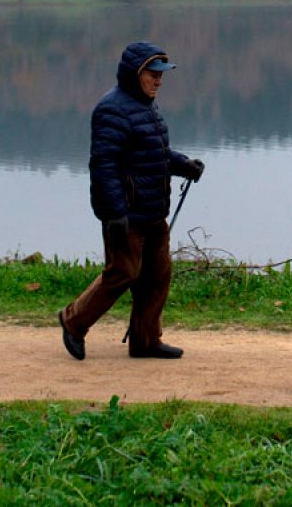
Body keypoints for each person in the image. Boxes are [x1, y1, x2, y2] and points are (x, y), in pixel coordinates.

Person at [59, 41, 204, 360]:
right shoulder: (112, 108)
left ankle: (145, 340)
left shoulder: (146, 106)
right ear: (134, 74)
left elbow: (154, 155)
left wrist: (183, 165)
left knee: (157, 275)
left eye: (161, 74)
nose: (158, 80)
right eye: (152, 74)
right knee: (122, 272)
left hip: (153, 212)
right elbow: (103, 165)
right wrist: (113, 213)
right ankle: (73, 322)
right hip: (125, 214)